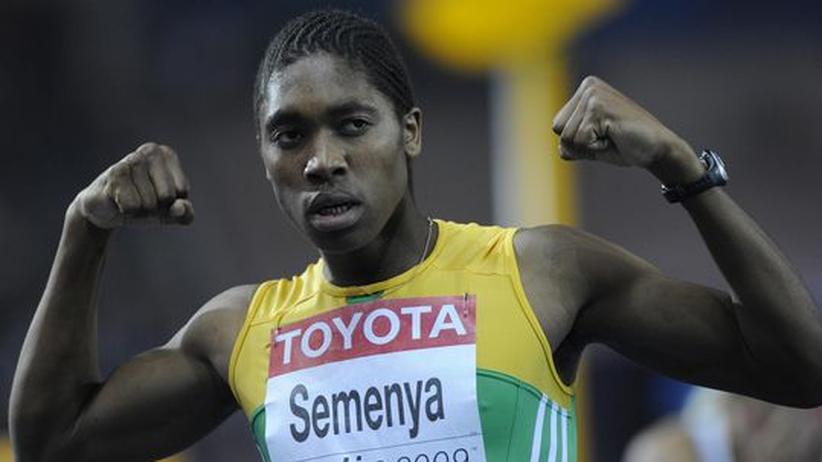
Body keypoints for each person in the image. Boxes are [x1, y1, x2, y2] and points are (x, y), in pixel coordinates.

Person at [9, 8, 822, 462]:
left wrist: (682, 165)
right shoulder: (242, 331)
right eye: (289, 135)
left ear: (411, 131)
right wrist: (85, 230)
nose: (322, 160)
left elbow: (799, 367)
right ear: (263, 156)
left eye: (351, 124)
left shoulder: (541, 272)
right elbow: (51, 442)